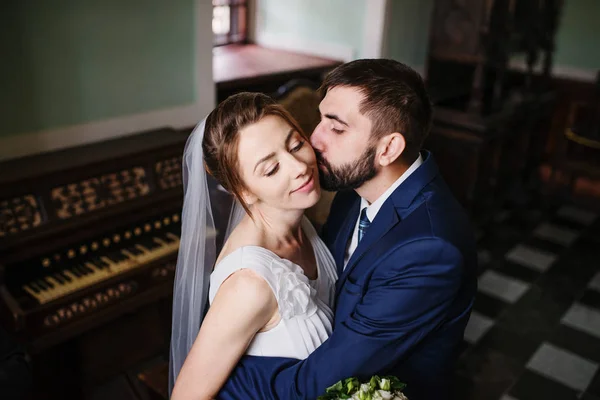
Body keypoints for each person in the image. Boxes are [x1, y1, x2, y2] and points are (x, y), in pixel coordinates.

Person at [217, 59, 478, 400]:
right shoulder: (353, 191)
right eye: (321, 118)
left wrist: (222, 371)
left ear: (388, 148)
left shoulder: (429, 249)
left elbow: (318, 382)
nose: (314, 139)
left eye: (336, 128)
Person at [169, 92, 338, 400]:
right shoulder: (250, 285)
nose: (298, 167)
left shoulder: (300, 223)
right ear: (244, 192)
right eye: (271, 169)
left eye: (296, 144)